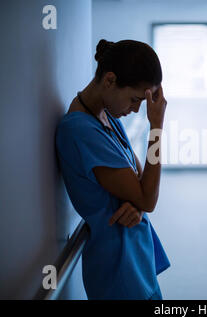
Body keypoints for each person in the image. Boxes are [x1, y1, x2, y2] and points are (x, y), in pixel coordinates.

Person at [55, 39, 170, 300]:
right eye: (134, 99)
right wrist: (156, 128)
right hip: (118, 274)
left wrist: (138, 202)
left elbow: (141, 184)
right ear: (109, 80)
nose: (137, 109)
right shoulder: (79, 130)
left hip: (137, 260)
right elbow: (148, 196)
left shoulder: (107, 117)